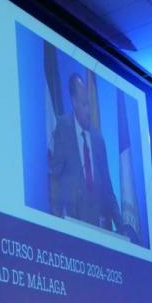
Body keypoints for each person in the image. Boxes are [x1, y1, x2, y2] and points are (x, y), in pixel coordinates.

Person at [48, 73, 122, 232]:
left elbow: (108, 189)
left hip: (99, 228)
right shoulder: (62, 128)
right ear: (74, 102)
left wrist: (121, 226)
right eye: (84, 105)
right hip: (71, 227)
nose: (89, 110)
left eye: (89, 104)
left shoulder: (98, 140)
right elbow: (54, 177)